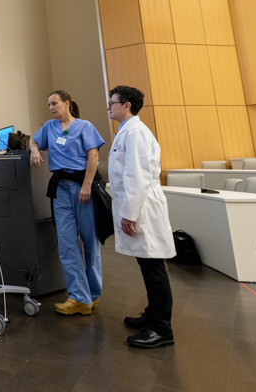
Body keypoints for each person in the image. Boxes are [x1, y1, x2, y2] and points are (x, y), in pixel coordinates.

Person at [107, 85, 176, 349]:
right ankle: (153, 315)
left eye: (112, 102)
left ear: (127, 105)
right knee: (147, 266)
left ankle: (161, 329)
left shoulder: (135, 132)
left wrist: (129, 214)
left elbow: (136, 175)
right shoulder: (127, 131)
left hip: (143, 208)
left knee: (153, 268)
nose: (110, 106)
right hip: (138, 206)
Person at [31, 90, 105, 315]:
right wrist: (34, 150)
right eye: (49, 104)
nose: (52, 108)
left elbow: (93, 156)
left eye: (55, 103)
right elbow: (34, 140)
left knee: (90, 242)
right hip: (61, 190)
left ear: (67, 103)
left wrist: (86, 185)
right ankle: (79, 297)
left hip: (83, 187)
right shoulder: (50, 128)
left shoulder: (84, 126)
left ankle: (92, 295)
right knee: (66, 242)